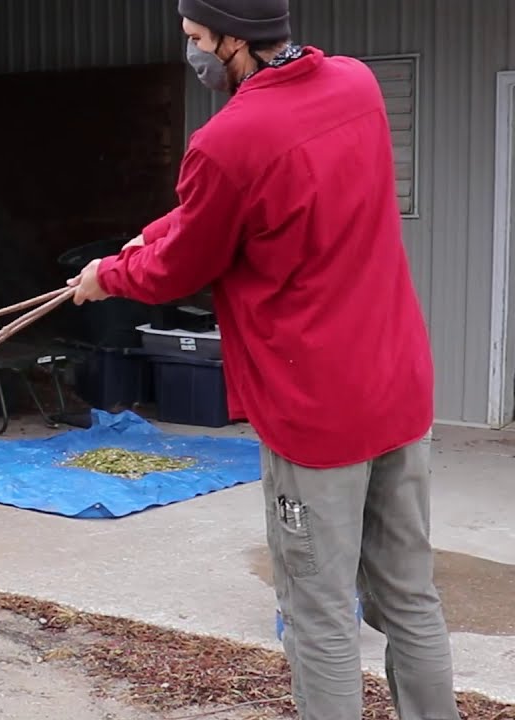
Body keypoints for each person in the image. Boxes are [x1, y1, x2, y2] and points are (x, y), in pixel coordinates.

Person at [65, 1, 459, 719]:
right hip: (399, 385)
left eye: (194, 40)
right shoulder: (356, 86)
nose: (192, 54)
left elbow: (183, 262)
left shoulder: (227, 141)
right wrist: (142, 237)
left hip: (316, 413)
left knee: (318, 614)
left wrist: (110, 275)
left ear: (230, 38)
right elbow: (208, 216)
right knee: (410, 598)